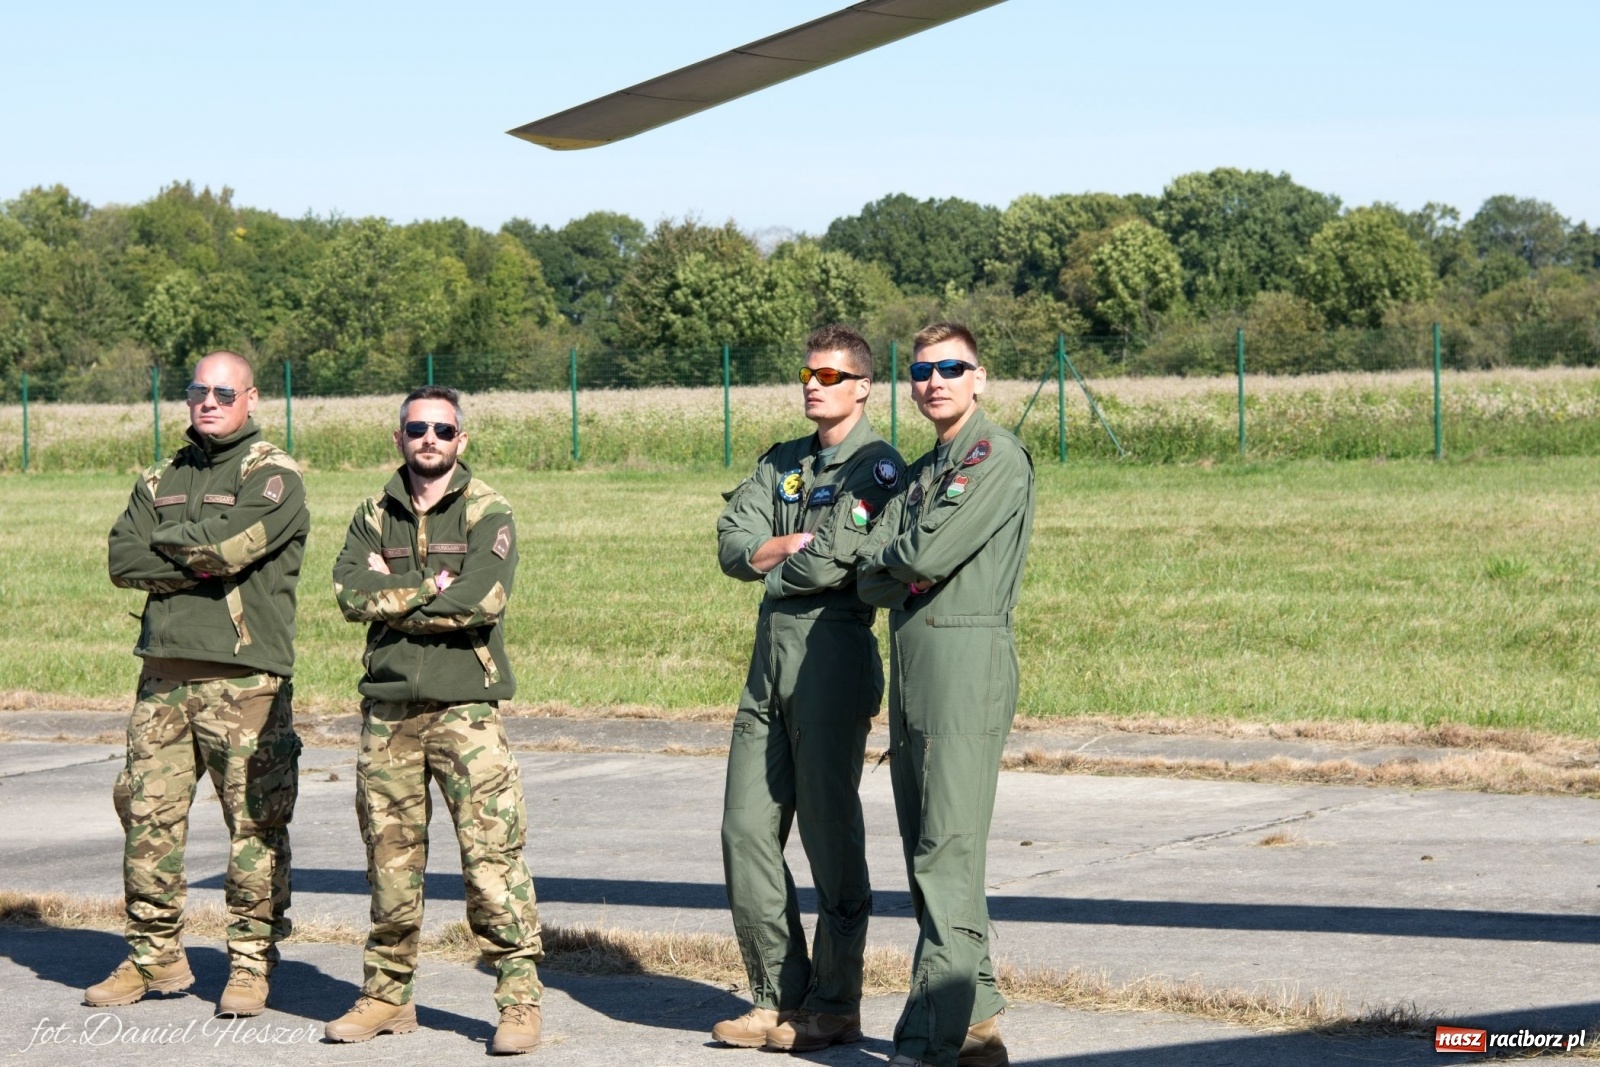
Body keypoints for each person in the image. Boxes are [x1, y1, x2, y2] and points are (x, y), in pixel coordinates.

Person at [325, 385, 543, 1056]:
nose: (430, 438)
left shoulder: (487, 511)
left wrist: (389, 593)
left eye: (443, 429)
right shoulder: (372, 512)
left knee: (491, 862)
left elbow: (479, 602)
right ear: (398, 437)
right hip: (387, 712)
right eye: (417, 427)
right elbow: (344, 590)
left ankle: (519, 1001)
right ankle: (387, 995)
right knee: (390, 864)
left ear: (461, 441)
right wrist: (429, 587)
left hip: (464, 713)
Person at [95, 351, 308, 1017]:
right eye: (197, 390)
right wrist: (193, 552)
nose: (207, 401)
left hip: (244, 683)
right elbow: (120, 557)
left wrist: (173, 548)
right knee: (147, 821)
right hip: (162, 680)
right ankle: (153, 957)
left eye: (223, 391)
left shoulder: (273, 474)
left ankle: (249, 964)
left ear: (251, 400)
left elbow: (232, 546)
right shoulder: (161, 474)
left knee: (254, 827)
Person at [713, 325, 905, 1053]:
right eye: (808, 373)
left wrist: (776, 558)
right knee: (744, 829)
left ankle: (835, 1000)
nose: (814, 385)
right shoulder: (784, 461)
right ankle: (777, 994)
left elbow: (835, 562)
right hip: (769, 659)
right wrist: (780, 549)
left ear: (861, 386)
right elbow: (732, 540)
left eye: (830, 376)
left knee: (829, 831)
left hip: (832, 650)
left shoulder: (876, 466)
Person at [856, 323, 1036, 1067]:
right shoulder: (931, 467)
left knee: (945, 853)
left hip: (964, 662)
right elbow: (873, 574)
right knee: (927, 848)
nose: (935, 381)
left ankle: (929, 1037)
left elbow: (922, 552)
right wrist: (898, 563)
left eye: (951, 368)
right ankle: (978, 1018)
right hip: (915, 667)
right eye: (923, 370)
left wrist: (897, 559)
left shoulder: (992, 458)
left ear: (980, 377)